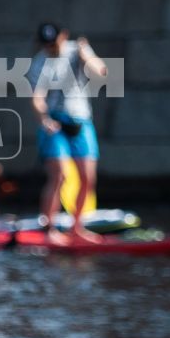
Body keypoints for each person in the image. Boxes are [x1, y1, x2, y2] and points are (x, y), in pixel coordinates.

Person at [31, 22, 109, 244]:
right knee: (60, 176)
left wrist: (86, 56)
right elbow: (37, 98)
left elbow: (101, 71)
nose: (51, 47)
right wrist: (44, 119)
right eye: (46, 44)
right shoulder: (40, 61)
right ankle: (49, 228)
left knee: (88, 178)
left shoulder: (79, 49)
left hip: (80, 121)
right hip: (54, 123)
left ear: (63, 36)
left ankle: (77, 228)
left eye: (54, 42)